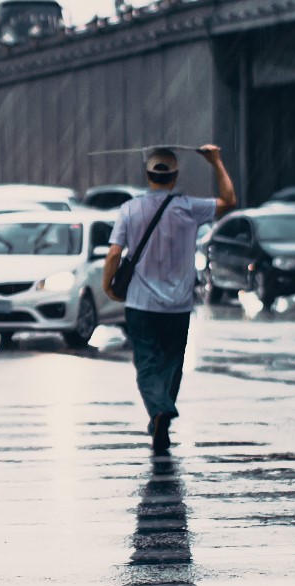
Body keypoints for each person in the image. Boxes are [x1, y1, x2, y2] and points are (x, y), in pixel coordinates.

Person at [102, 145, 236, 452]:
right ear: (174, 177)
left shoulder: (130, 209)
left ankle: (159, 410)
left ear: (148, 176)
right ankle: (162, 413)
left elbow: (114, 253)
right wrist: (216, 162)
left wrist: (108, 285)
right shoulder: (190, 207)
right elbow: (230, 200)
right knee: (172, 362)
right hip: (178, 305)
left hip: (140, 304)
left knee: (147, 364)